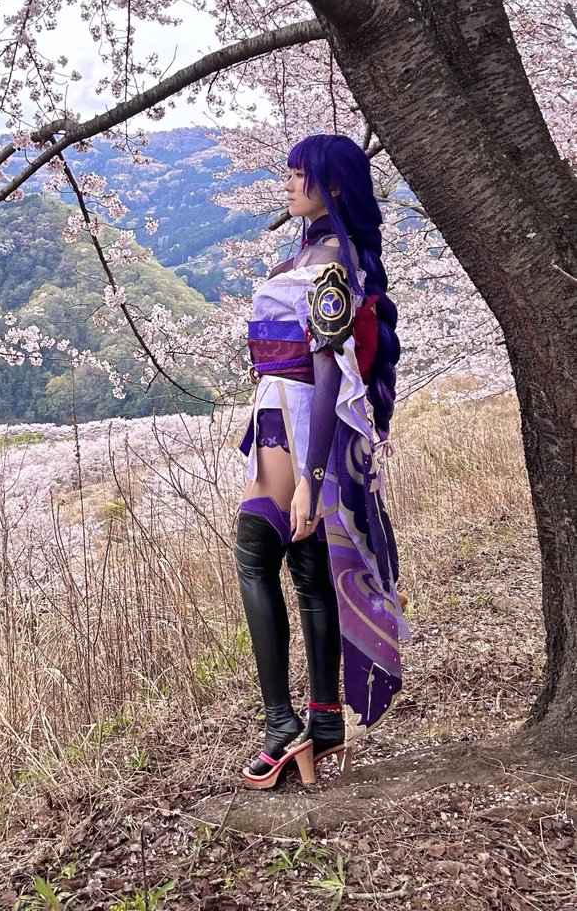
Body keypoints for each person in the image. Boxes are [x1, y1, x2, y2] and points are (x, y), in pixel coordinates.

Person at [235, 133, 408, 790]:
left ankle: (283, 726)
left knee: (256, 553)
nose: (286, 183)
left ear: (330, 185)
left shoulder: (333, 260)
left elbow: (331, 369)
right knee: (307, 566)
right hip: (278, 409)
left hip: (299, 413)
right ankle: (323, 720)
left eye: (297, 174)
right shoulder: (311, 253)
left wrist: (310, 477)